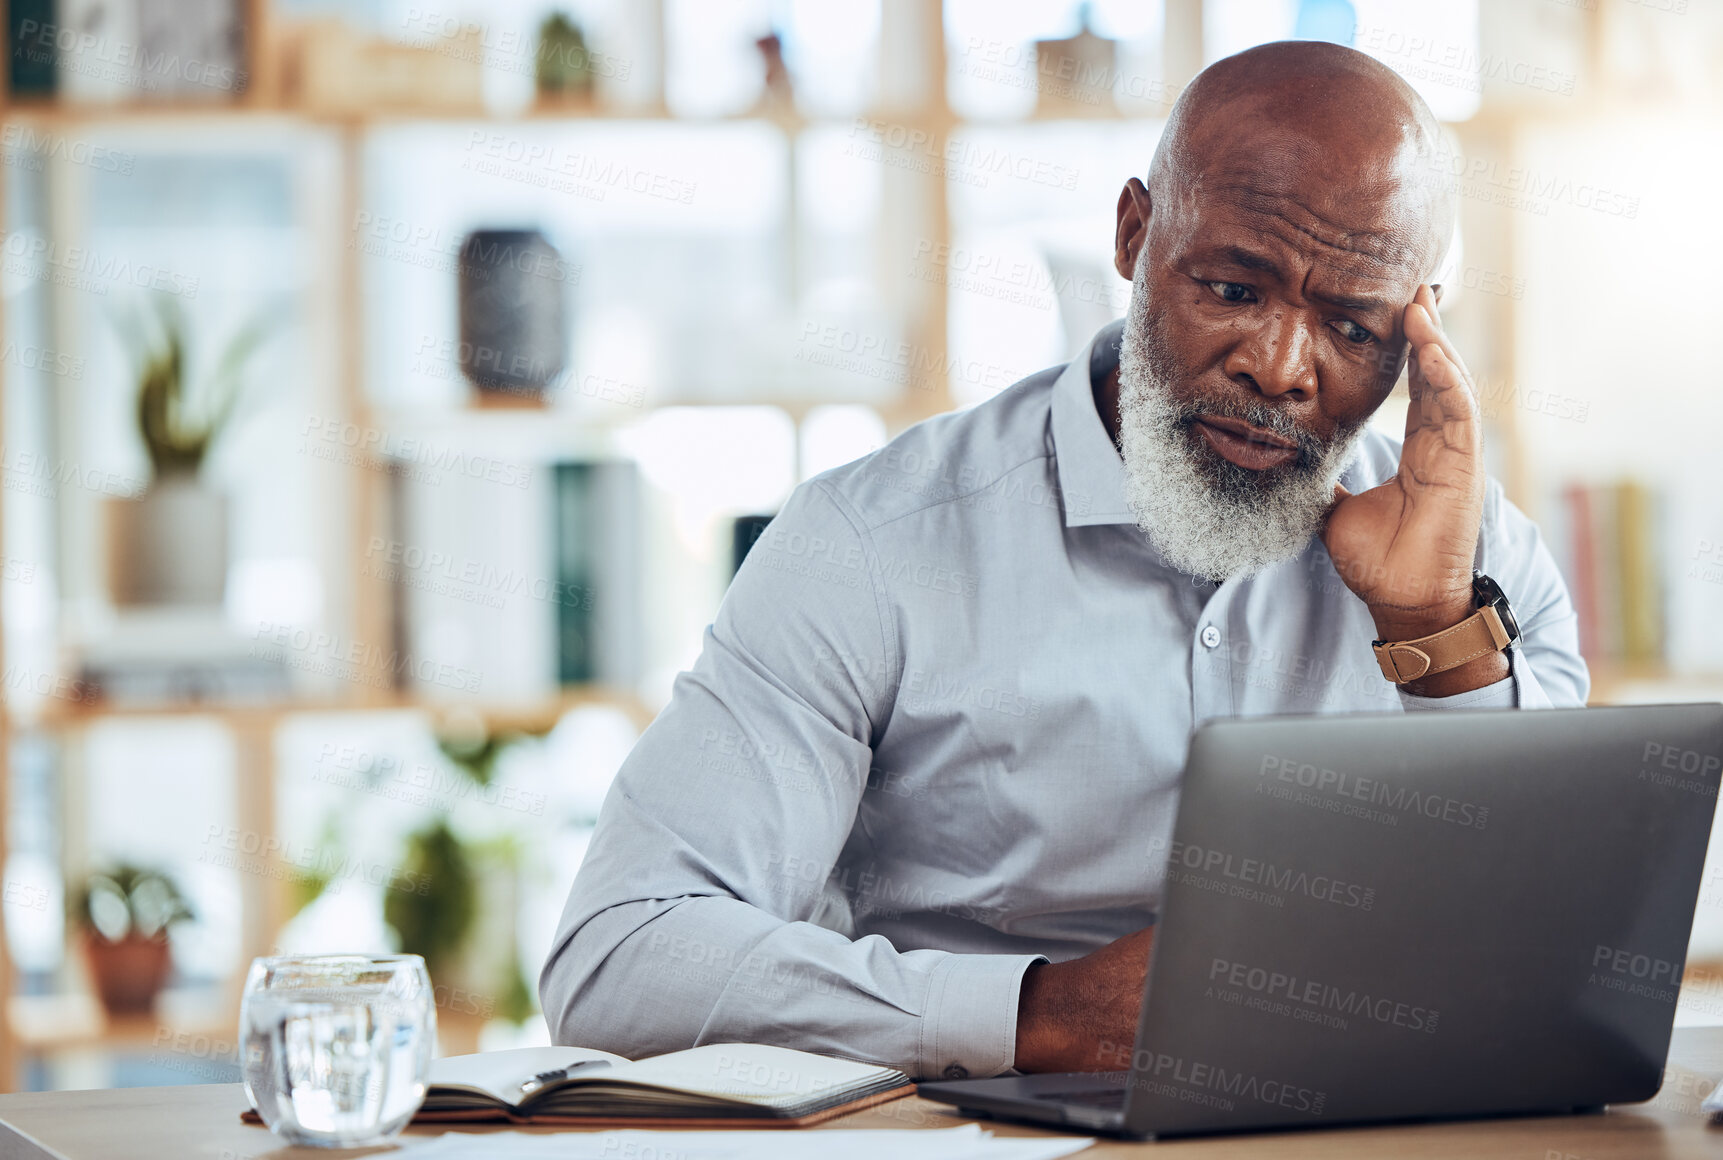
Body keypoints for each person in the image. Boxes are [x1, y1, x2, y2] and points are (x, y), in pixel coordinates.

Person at [540, 40, 1587, 1079]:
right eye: (1231, 289)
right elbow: (620, 955)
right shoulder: (869, 543)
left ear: (1416, 332)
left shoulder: (1472, 562)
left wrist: (1434, 635)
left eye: (1351, 327)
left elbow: (1567, 963)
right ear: (1134, 234)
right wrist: (1039, 1012)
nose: (1278, 368)